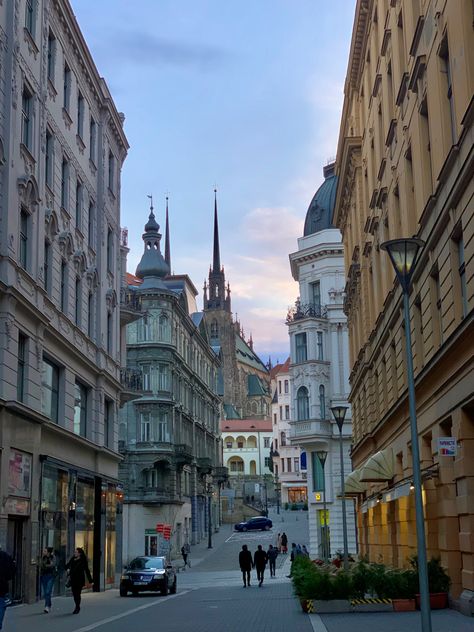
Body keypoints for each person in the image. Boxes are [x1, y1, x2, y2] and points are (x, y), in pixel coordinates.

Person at [65, 547, 92, 614]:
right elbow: (67, 566)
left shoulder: (83, 560)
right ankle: (77, 605)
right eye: (74, 552)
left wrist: (90, 580)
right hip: (73, 579)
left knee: (78, 593)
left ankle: (77, 607)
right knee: (74, 594)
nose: (75, 553)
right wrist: (67, 569)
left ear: (79, 553)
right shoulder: (73, 559)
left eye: (76, 552)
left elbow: (87, 570)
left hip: (79, 579)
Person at [0, 548, 14, 631]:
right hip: (2, 585)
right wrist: (6, 578)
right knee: (1, 605)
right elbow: (12, 570)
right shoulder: (5, 556)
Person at [40, 547, 57, 613]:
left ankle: (46, 606)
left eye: (45, 551)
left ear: (48, 552)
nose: (43, 552)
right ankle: (49, 604)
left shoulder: (53, 557)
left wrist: (46, 565)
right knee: (45, 592)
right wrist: (47, 565)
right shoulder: (43, 558)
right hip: (44, 576)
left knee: (48, 591)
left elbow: (53, 565)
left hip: (51, 576)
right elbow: (41, 565)